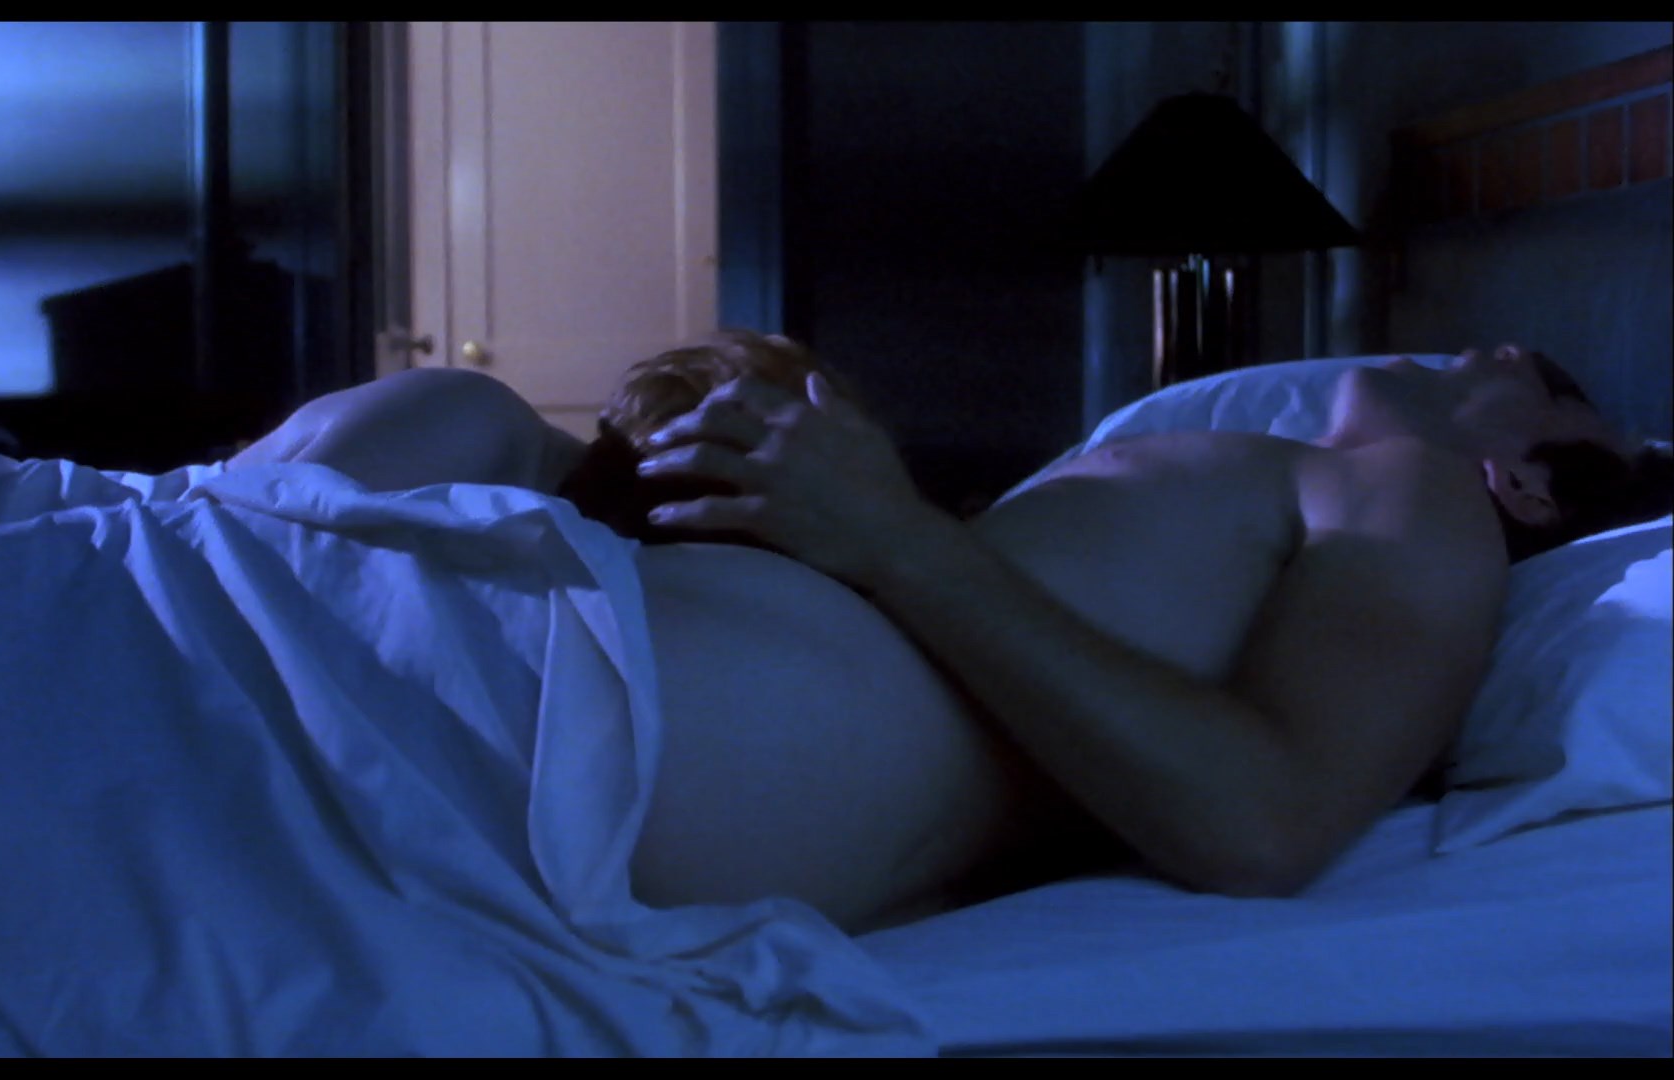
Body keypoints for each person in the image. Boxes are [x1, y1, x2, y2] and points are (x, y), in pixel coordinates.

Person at [229, 333, 1671, 933]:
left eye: (1547, 381)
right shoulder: (1256, 475)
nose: (1496, 349)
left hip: (629, 736)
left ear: (1531, 483)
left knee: (435, 432)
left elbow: (1267, 819)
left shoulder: (1418, 498)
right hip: (595, 672)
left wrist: (896, 537)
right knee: (460, 419)